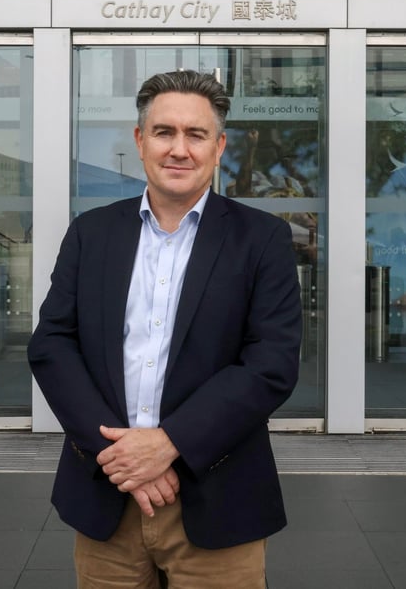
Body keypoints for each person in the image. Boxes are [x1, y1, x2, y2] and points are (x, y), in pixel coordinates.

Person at [28, 70, 302, 588]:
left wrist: (169, 442)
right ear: (140, 141)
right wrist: (122, 456)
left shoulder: (261, 239)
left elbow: (271, 364)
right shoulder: (92, 233)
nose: (179, 149)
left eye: (196, 135)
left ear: (219, 147)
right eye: (164, 132)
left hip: (218, 500)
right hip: (107, 494)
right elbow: (52, 344)